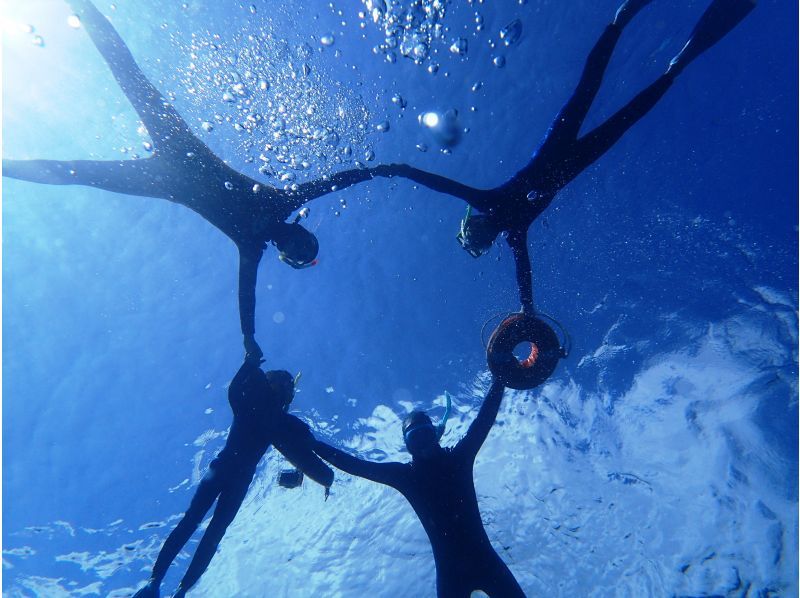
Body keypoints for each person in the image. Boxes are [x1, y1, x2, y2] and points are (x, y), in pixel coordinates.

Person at [2, 0, 393, 361]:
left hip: (167, 176)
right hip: (178, 154)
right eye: (304, 245)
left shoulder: (254, 244)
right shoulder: (278, 208)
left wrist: (249, 339)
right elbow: (335, 183)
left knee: (80, 169)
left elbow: (247, 297)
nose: (295, 244)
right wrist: (380, 169)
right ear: (298, 234)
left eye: (298, 251)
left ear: (286, 253)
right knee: (125, 81)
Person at [386, 0, 756, 314]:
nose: (481, 233)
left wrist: (403, 169)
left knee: (592, 89)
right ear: (487, 240)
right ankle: (673, 60)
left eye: (474, 234)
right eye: (479, 241)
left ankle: (624, 20)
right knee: (627, 112)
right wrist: (527, 309)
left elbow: (443, 185)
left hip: (560, 146)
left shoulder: (491, 205)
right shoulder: (514, 231)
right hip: (576, 157)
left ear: (475, 223)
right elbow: (523, 274)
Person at [133, 357, 334, 598]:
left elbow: (236, 390)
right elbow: (302, 445)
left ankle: (164, 585)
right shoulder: (275, 419)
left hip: (223, 472)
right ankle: (169, 586)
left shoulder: (256, 408)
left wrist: (249, 364)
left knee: (197, 524)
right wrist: (311, 471)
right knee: (209, 530)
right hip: (236, 480)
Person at [313, 378, 525, 597]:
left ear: (436, 435)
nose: (423, 444)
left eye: (426, 435)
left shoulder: (456, 459)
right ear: (408, 447)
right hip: (457, 572)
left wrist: (499, 379)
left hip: (477, 565)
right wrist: (314, 445)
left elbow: (484, 421)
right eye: (416, 439)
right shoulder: (408, 476)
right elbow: (357, 466)